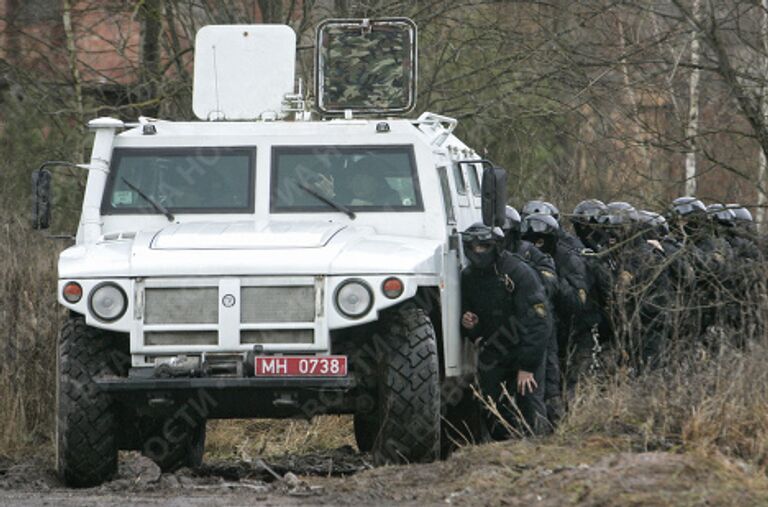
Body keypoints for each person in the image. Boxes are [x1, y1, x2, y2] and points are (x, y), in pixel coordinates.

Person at [460, 223, 553, 438]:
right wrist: (469, 324)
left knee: (530, 405)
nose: (478, 252)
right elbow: (471, 319)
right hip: (494, 351)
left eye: (484, 247)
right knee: (492, 407)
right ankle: (503, 454)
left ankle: (539, 452)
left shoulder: (518, 272)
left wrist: (527, 366)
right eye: (473, 247)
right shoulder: (468, 277)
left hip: (525, 347)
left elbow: (540, 322)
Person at [521, 213, 588, 419]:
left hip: (571, 330)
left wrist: (551, 282)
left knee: (560, 380)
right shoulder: (520, 255)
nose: (535, 246)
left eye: (540, 241)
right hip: (536, 327)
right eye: (530, 240)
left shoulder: (568, 258)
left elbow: (578, 301)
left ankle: (561, 421)